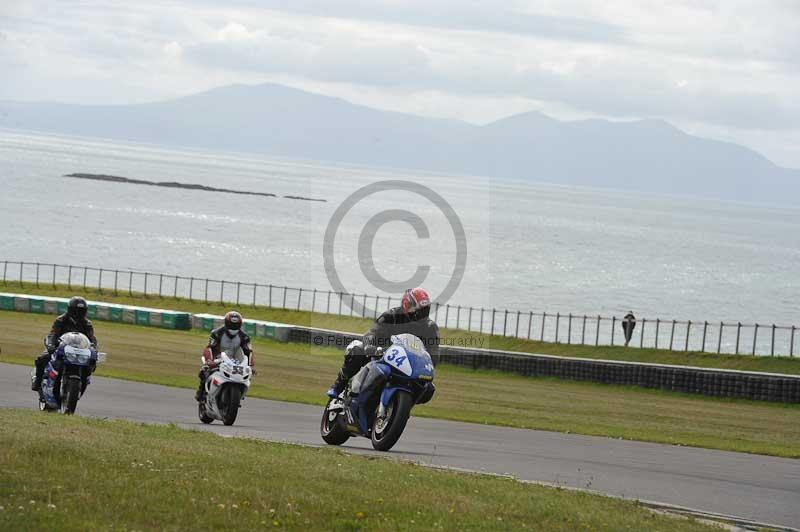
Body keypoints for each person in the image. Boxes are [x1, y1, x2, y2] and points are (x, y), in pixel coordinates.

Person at [327, 287, 440, 398]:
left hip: (407, 365)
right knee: (356, 350)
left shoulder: (430, 327)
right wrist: (369, 346)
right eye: (420, 311)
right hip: (381, 355)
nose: (423, 314)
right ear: (408, 305)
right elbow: (372, 333)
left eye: (425, 310)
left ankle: (399, 404)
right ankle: (338, 385)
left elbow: (433, 351)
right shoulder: (391, 316)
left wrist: (429, 364)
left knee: (428, 388)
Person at [31, 296, 97, 392]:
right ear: (70, 309)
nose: (79, 313)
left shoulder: (87, 324)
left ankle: (84, 381)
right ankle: (37, 381)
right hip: (61, 347)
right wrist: (51, 345)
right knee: (42, 359)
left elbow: (92, 338)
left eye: (81, 311)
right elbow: (53, 334)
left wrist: (94, 348)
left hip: (80, 350)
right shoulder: (61, 320)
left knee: (91, 363)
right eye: (76, 310)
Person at [195, 310, 255, 402]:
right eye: (231, 325)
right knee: (204, 371)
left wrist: (251, 365)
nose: (233, 327)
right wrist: (209, 361)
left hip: (234, 359)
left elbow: (249, 351)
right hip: (218, 357)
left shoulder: (244, 337)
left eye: (236, 325)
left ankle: (239, 394)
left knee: (247, 374)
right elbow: (209, 348)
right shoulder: (216, 333)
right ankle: (201, 392)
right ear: (226, 323)